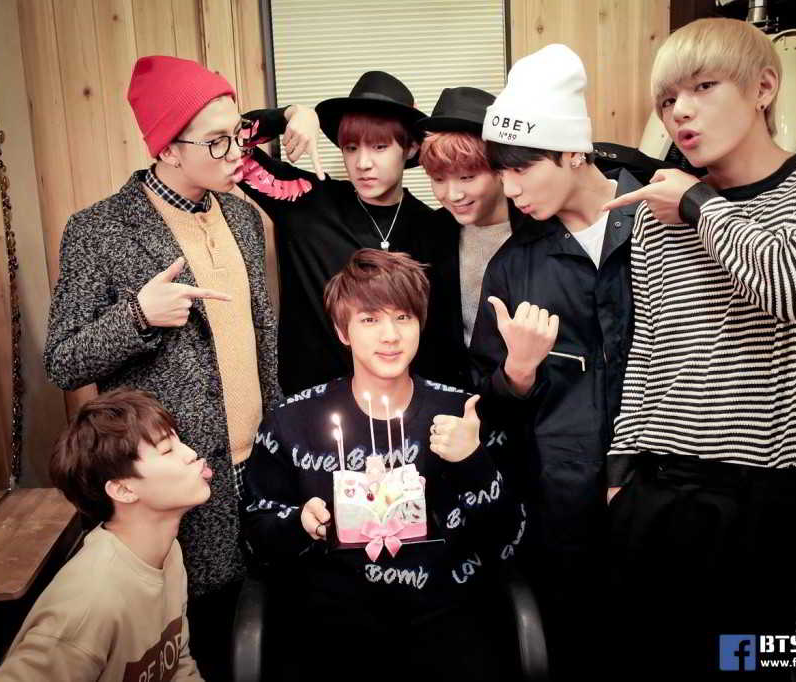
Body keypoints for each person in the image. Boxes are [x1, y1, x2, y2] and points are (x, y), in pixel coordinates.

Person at [602, 18, 796, 676]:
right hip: (653, 488)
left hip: (758, 501)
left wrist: (700, 204)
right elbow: (650, 350)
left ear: (763, 87)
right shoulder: (654, 219)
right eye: (667, 99)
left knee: (741, 667)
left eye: (702, 86)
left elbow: (793, 285)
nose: (680, 111)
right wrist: (619, 472)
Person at [43, 55, 281, 680]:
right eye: (216, 141)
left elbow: (260, 339)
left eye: (239, 132)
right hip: (173, 477)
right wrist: (138, 316)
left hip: (258, 461)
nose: (236, 151)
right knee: (194, 636)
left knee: (263, 625)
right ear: (168, 149)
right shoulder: (99, 230)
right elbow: (62, 361)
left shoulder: (242, 217)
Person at [241, 249, 525, 681]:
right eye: (370, 319)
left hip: (446, 625)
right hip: (332, 631)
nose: (390, 336)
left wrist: (473, 462)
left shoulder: (463, 413)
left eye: (403, 317)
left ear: (420, 323)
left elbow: (510, 539)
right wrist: (300, 523)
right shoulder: (292, 421)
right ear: (343, 331)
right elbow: (255, 538)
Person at [470, 43, 642, 679]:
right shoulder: (514, 265)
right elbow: (484, 399)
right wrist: (517, 372)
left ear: (573, 152)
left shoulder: (660, 224)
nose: (509, 188)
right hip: (560, 505)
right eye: (502, 171)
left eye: (522, 168)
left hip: (662, 491)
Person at [237, 71, 440, 395]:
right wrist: (289, 115)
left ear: (410, 147)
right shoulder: (304, 200)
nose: (362, 163)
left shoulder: (434, 229)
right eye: (351, 147)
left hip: (402, 405)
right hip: (310, 404)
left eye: (379, 147)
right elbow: (231, 145)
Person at [0, 389, 208, 681]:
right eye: (167, 450)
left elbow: (177, 664)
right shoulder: (89, 604)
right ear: (123, 489)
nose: (191, 454)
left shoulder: (168, 552)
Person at [414, 86, 517, 390]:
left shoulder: (537, 229)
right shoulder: (430, 233)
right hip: (452, 398)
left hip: (527, 398)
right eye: (438, 179)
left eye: (467, 177)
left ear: (500, 169)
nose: (453, 194)